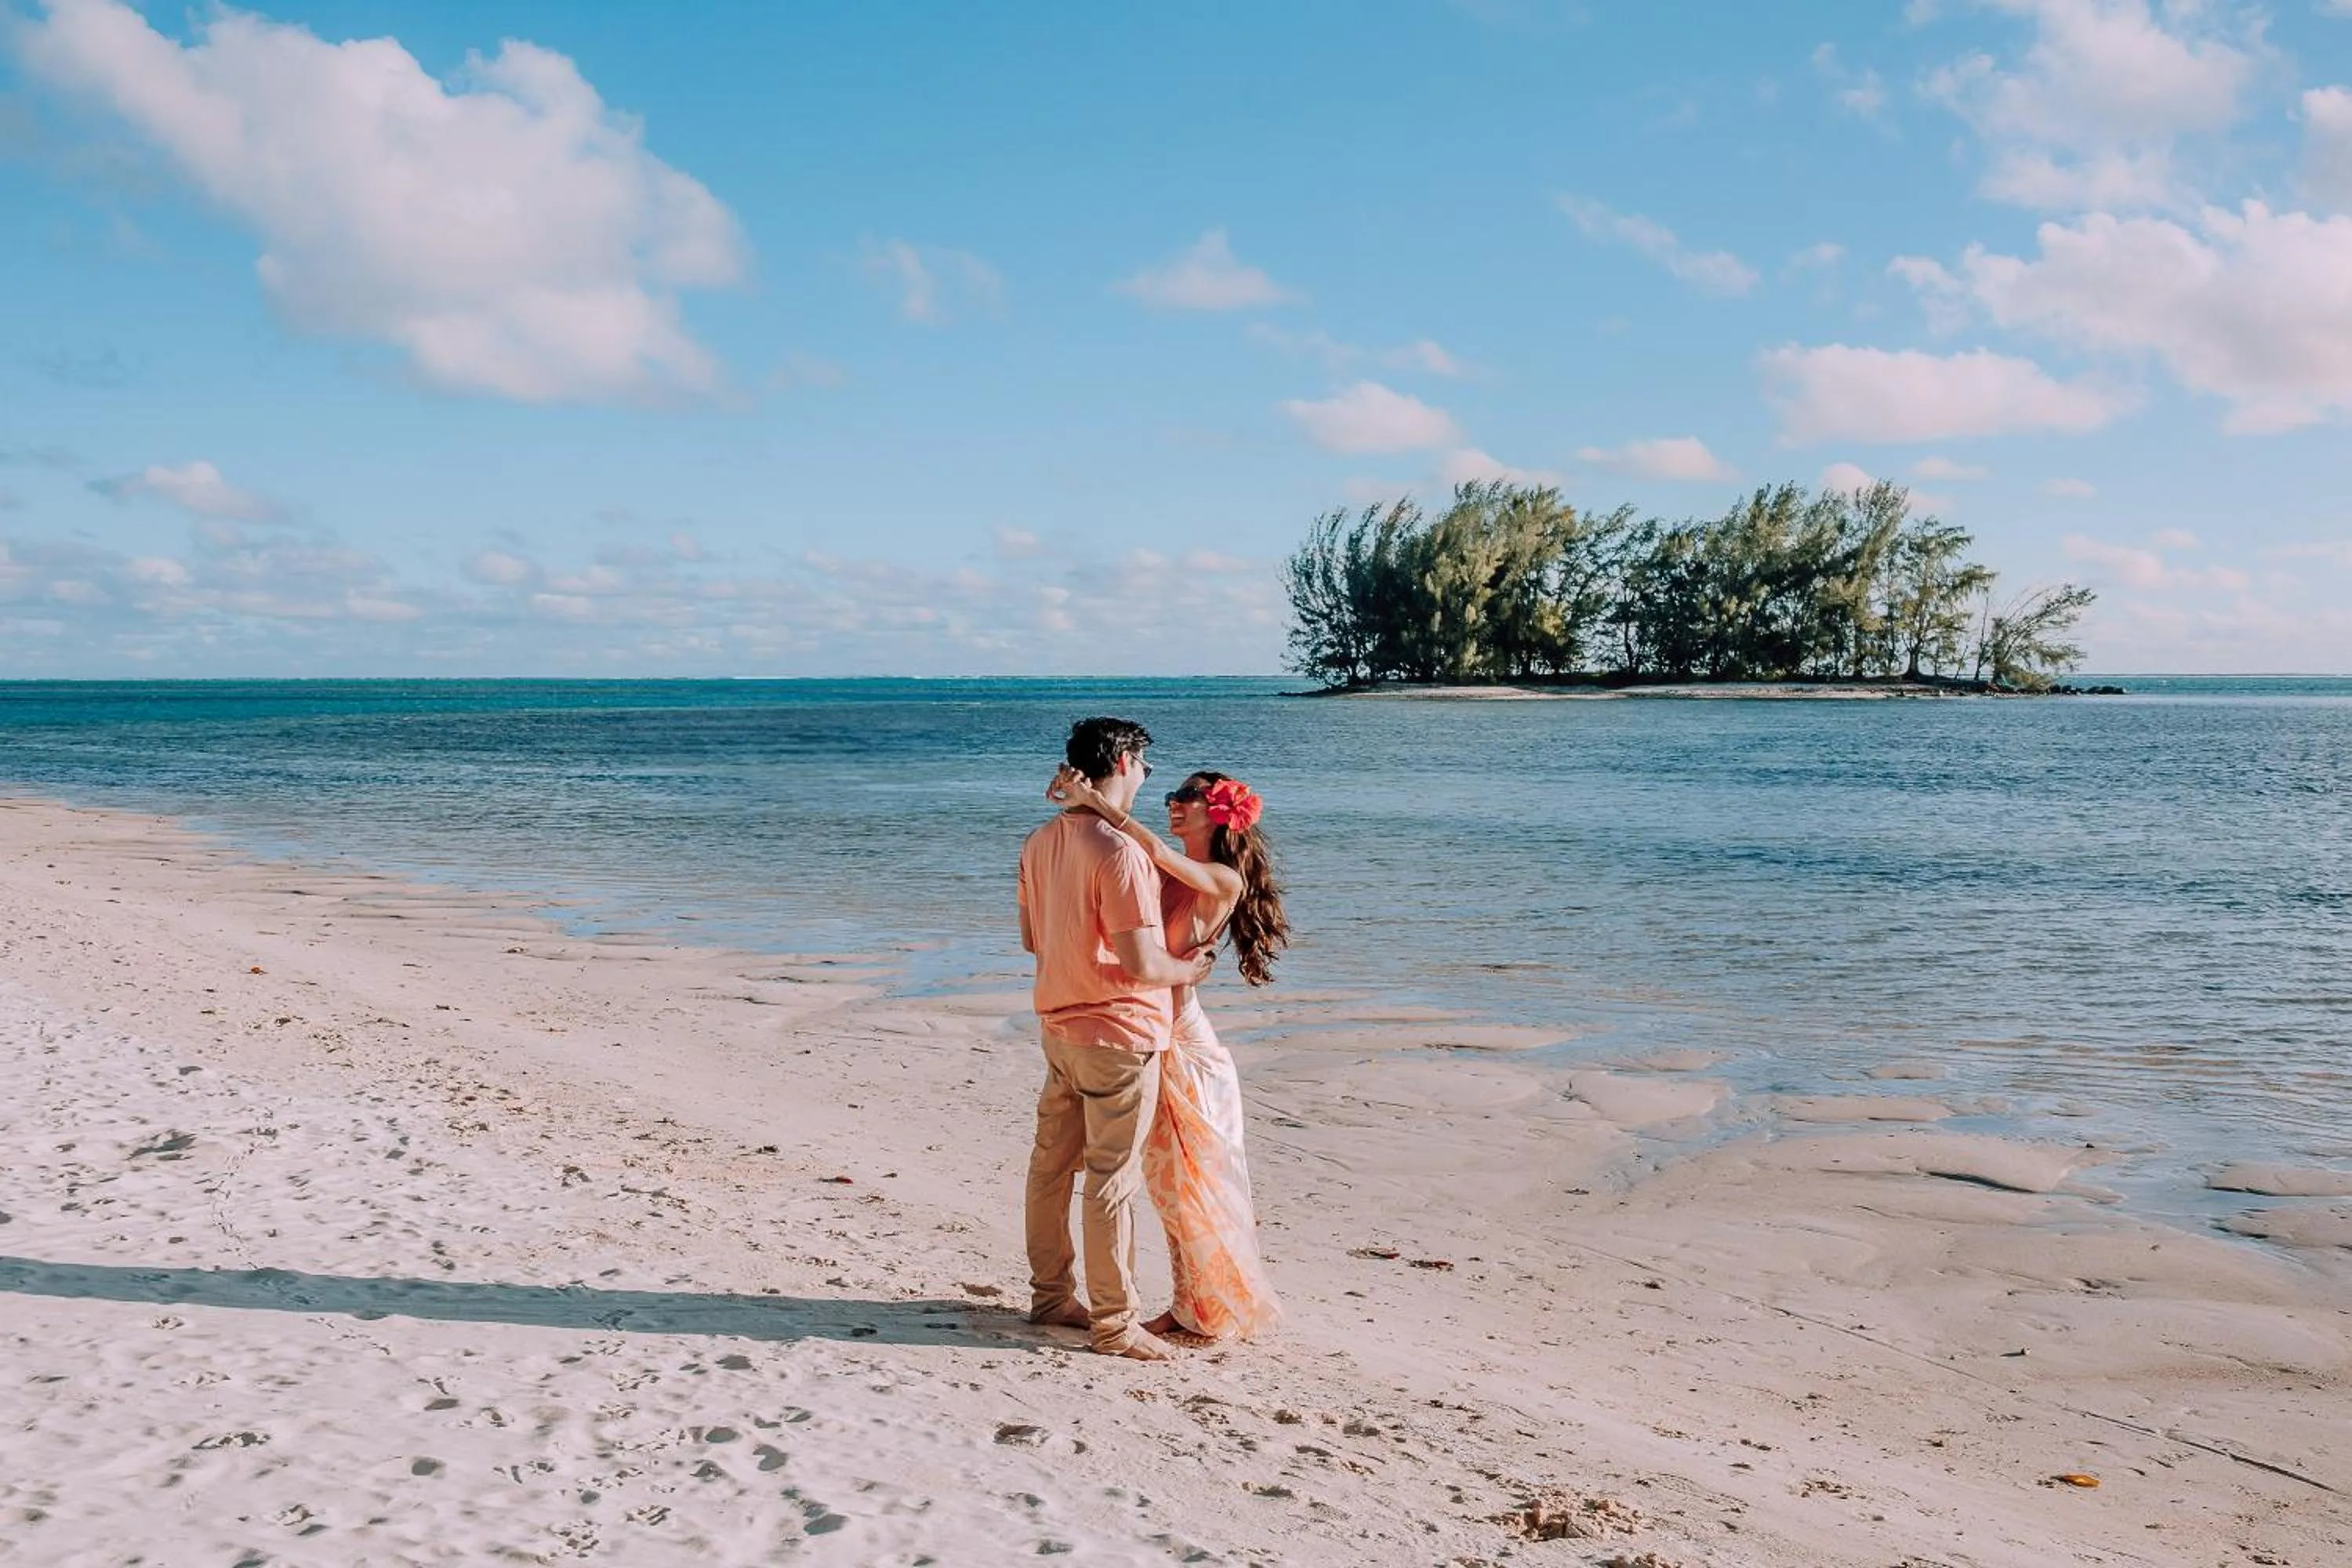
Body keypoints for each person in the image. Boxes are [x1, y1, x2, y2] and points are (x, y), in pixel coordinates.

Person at [1046, 761, 1287, 1341]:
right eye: (1173, 794)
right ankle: (1191, 1303)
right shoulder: (1158, 871)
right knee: (1165, 1185)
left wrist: (1096, 802)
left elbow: (1147, 844)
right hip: (1147, 1034)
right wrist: (1074, 806)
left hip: (1186, 1046)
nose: (1174, 802)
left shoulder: (1222, 879)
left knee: (1197, 1184)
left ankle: (1203, 1308)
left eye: (1188, 796)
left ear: (1221, 814)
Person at [1018, 717, 1212, 1362]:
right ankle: (1114, 1322)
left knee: (1050, 1169)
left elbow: (1031, 939)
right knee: (1110, 1179)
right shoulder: (1119, 851)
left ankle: (1051, 1297)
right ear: (1124, 761)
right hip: (1120, 1033)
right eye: (1147, 767)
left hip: (1058, 1026)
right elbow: (1143, 965)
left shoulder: (1041, 841)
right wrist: (1192, 970)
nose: (1148, 778)